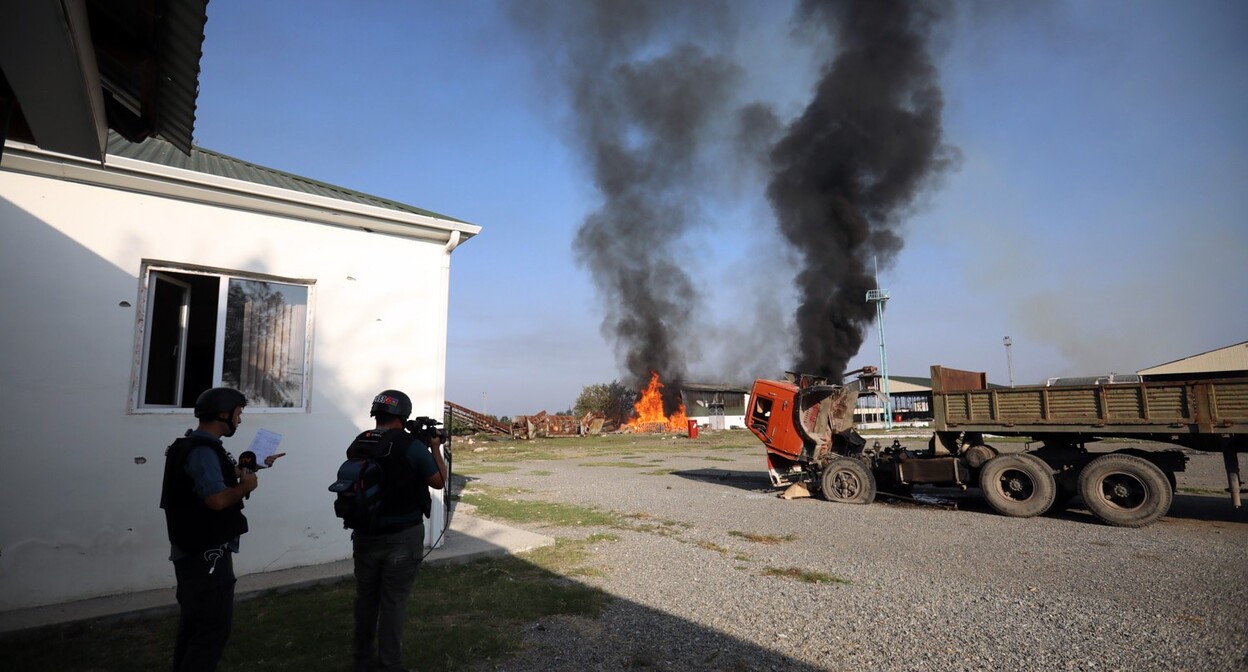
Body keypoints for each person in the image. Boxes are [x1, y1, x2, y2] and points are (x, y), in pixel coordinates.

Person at [160, 387, 285, 672]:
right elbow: (215, 500)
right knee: (211, 632)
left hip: (195, 551)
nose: (240, 421)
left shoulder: (195, 445)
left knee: (194, 629)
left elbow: (214, 482)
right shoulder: (203, 452)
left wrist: (254, 469)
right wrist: (244, 487)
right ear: (223, 414)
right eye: (238, 415)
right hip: (206, 557)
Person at [350, 389, 447, 672]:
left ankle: (362, 659)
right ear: (403, 416)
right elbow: (439, 481)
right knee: (394, 601)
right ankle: (390, 664)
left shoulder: (359, 442)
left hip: (364, 533)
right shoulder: (410, 446)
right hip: (402, 536)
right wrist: (435, 448)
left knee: (365, 598)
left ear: (376, 414)